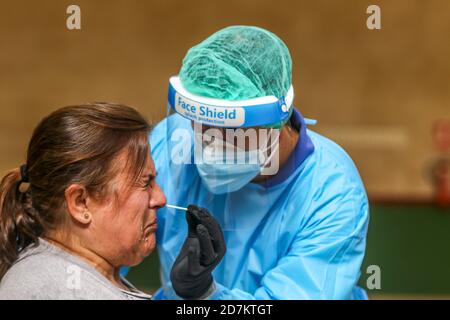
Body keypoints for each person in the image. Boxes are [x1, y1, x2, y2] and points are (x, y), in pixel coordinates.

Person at [150, 26, 370, 300]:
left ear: (274, 124)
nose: (206, 143)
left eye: (228, 129)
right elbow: (105, 243)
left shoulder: (333, 193)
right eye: (198, 123)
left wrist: (205, 296)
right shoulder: (170, 146)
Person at [0, 103, 168, 299]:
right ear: (81, 203)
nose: (160, 199)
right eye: (146, 183)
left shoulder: (67, 280)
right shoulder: (54, 288)